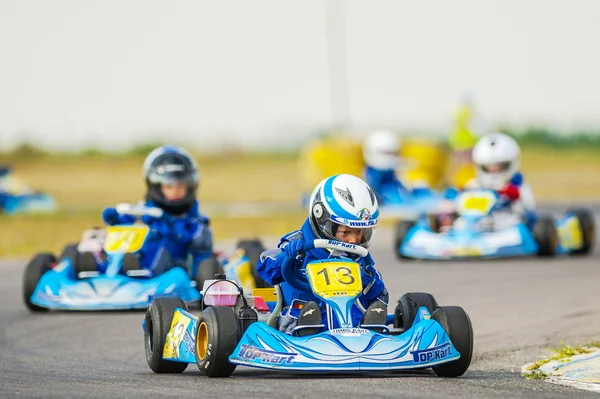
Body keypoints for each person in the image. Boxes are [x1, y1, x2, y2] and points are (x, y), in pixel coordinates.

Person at [257, 174, 389, 336]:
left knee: (367, 309)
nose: (353, 240)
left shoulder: (359, 257)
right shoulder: (296, 242)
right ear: (323, 221)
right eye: (346, 232)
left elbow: (379, 295)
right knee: (308, 311)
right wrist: (287, 256)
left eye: (359, 232)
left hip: (351, 322)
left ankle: (372, 328)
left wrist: (368, 279)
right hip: (301, 317)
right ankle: (306, 330)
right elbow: (265, 265)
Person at [101, 145, 214, 275]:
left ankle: (139, 272)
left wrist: (176, 231)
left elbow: (202, 250)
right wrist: (117, 219)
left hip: (174, 270)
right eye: (169, 186)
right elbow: (132, 220)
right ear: (156, 186)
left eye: (180, 186)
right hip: (137, 258)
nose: (175, 191)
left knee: (163, 246)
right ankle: (102, 267)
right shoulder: (146, 212)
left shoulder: (194, 222)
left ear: (190, 186)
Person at [362, 130, 413, 205]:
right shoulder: (370, 179)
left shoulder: (395, 177)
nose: (392, 157)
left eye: (395, 153)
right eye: (387, 153)